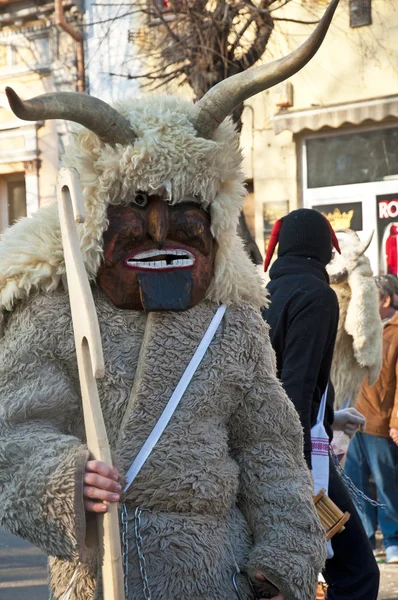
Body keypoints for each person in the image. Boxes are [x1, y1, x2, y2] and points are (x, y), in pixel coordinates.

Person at [0, 11, 341, 594]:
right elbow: (15, 430)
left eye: (186, 205)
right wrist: (66, 477)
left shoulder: (232, 327)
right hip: (101, 576)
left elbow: (270, 451)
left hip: (219, 576)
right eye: (136, 203)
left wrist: (281, 561)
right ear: (96, 215)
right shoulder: (59, 314)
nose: (160, 229)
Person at [262, 208, 380, 600]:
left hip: (265, 445)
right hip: (296, 454)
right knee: (357, 572)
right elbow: (295, 383)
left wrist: (329, 418)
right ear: (318, 247)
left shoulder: (266, 293)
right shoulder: (316, 294)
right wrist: (296, 466)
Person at [345, 275, 398, 563]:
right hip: (353, 418)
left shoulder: (396, 331)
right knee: (355, 484)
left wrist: (396, 421)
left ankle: (392, 540)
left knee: (386, 484)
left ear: (386, 300)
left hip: (381, 420)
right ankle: (365, 540)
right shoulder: (359, 328)